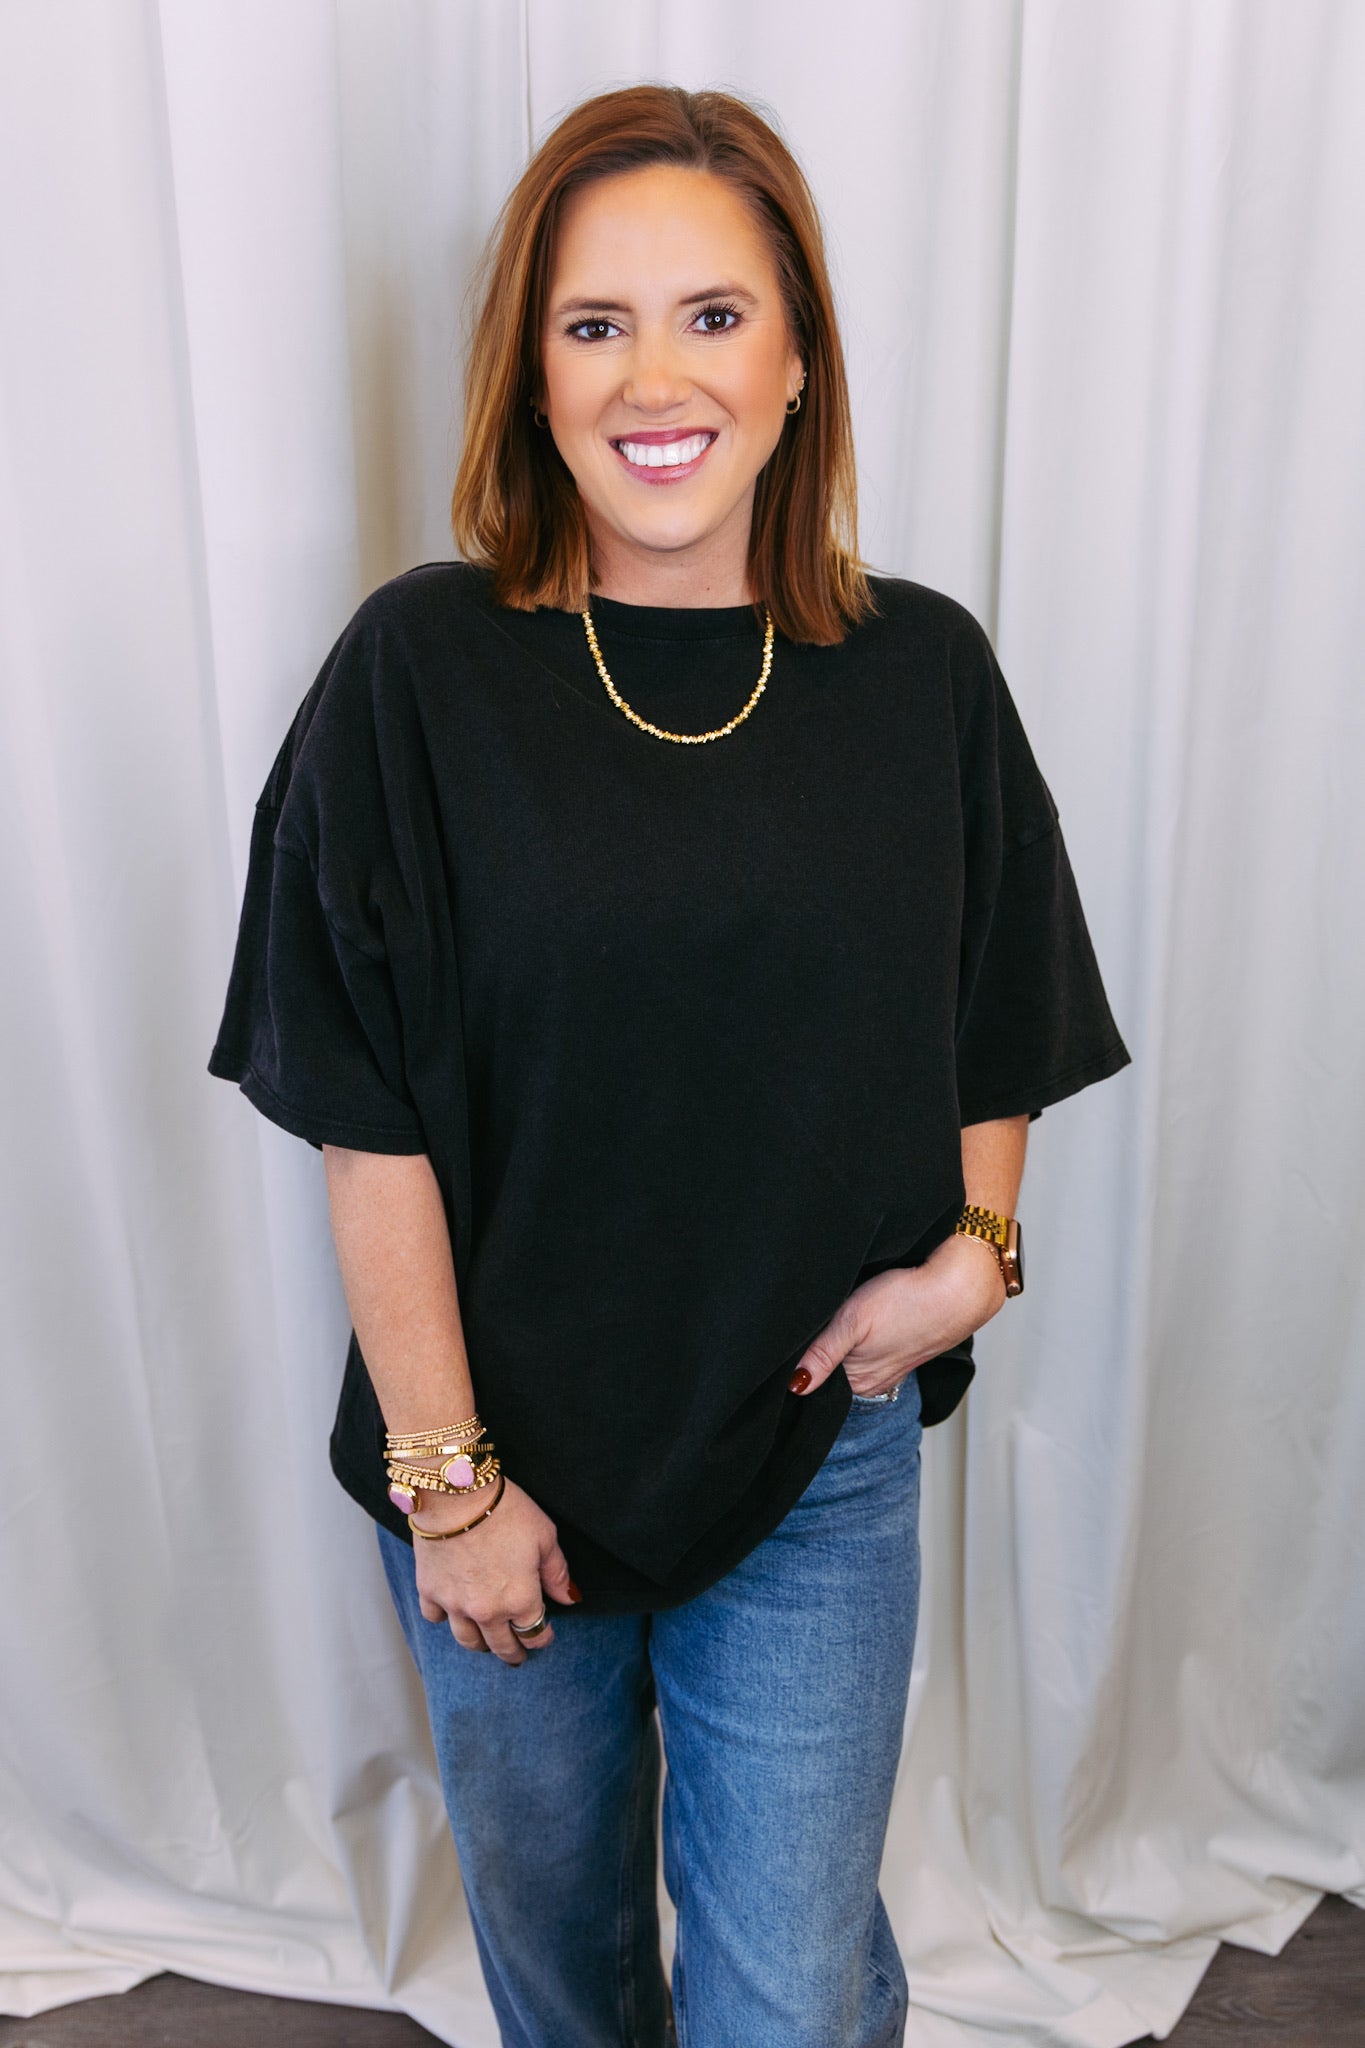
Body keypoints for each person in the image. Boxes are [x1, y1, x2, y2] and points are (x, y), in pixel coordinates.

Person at [208, 82, 1131, 2048]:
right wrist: (449, 1479)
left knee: (783, 2002)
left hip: (808, 1456)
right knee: (565, 1983)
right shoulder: (421, 672)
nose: (657, 374)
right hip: (489, 1454)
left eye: (713, 314)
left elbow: (999, 1006)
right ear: (529, 370)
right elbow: (353, 1098)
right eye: (592, 320)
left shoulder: (921, 677)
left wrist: (975, 1253)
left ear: (796, 362)